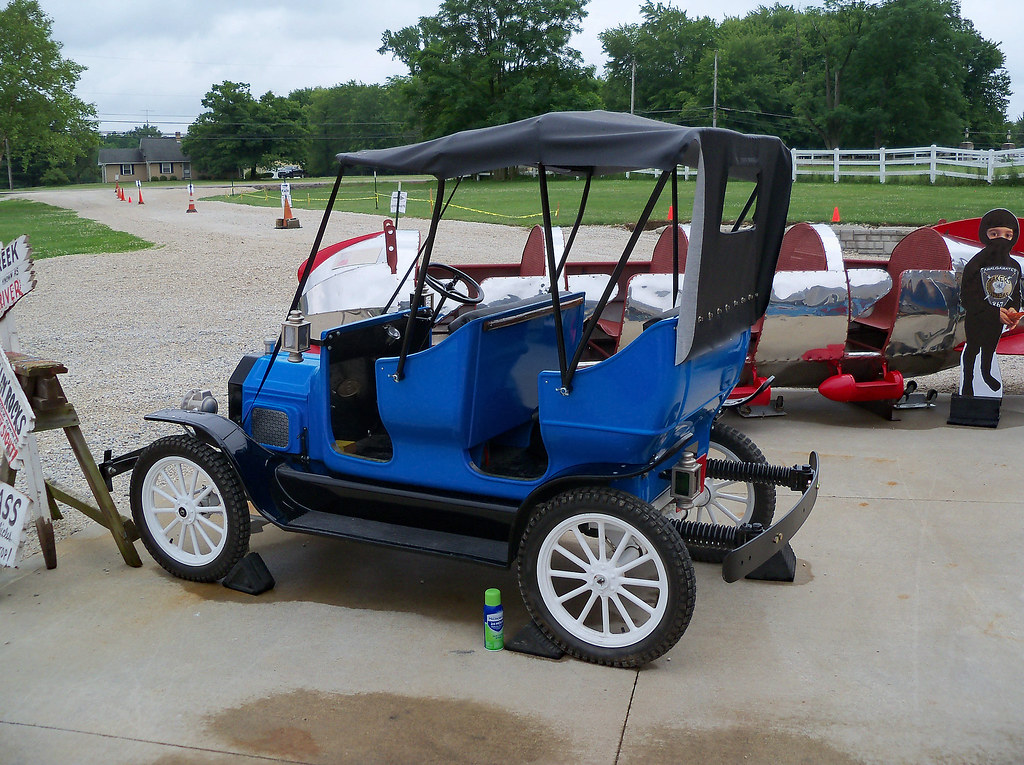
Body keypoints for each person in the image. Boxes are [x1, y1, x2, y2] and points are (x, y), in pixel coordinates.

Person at [958, 208, 1023, 396]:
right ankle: (968, 383)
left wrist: (1013, 310)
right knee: (973, 348)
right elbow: (967, 297)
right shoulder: (976, 264)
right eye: (994, 234)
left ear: (1014, 236)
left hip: (999, 318)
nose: (1001, 239)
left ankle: (986, 373)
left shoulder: (1014, 266)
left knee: (990, 348)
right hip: (977, 317)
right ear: (985, 235)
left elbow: (1015, 293)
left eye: (1007, 235)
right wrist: (992, 312)